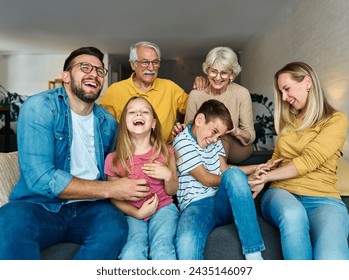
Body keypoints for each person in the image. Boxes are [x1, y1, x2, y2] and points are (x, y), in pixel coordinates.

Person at [0, 47, 151, 260]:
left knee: (114, 225)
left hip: (91, 209)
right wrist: (111, 188)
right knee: (10, 218)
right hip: (40, 206)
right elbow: (41, 178)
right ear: (66, 76)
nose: (94, 74)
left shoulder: (107, 122)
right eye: (85, 67)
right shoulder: (40, 107)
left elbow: (126, 158)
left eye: (100, 71)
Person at [249, 62, 349, 260]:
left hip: (324, 198)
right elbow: (278, 158)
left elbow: (309, 160)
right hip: (282, 192)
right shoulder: (287, 121)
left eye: (286, 89)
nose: (284, 98)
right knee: (292, 215)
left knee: (332, 258)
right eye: (281, 92)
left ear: (308, 82)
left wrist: (267, 176)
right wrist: (261, 174)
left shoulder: (336, 120)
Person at [173, 99, 280, 260]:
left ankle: (254, 255)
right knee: (185, 243)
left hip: (221, 201)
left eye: (220, 135)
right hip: (196, 206)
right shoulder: (182, 141)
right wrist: (247, 181)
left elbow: (224, 169)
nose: (216, 139)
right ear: (200, 120)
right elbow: (206, 178)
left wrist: (260, 166)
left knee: (234, 174)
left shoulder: (213, 142)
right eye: (214, 131)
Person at [104, 96, 179, 260]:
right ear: (124, 123)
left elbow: (172, 190)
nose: (139, 114)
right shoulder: (114, 159)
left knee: (162, 249)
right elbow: (114, 198)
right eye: (132, 112)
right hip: (132, 213)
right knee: (131, 252)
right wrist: (137, 213)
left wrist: (168, 175)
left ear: (153, 123)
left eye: (145, 112)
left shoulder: (166, 152)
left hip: (163, 209)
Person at [99, 41, 188, 143]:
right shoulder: (114, 91)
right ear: (133, 65)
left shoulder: (170, 87)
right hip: (127, 154)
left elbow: (197, 109)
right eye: (145, 62)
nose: (151, 68)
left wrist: (186, 125)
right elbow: (103, 128)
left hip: (165, 153)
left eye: (155, 62)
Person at [184, 47, 255, 164]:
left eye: (224, 73)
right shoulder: (195, 95)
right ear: (207, 70)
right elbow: (189, 130)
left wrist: (235, 131)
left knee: (221, 136)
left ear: (232, 74)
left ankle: (216, 175)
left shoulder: (242, 93)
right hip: (203, 146)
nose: (218, 77)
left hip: (236, 147)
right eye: (214, 71)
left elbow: (250, 135)